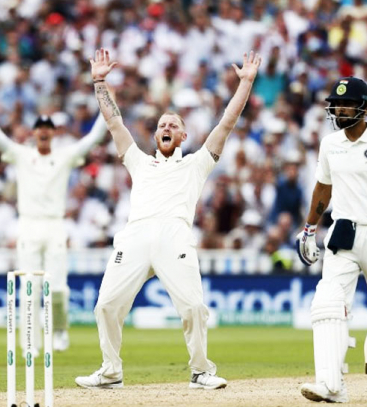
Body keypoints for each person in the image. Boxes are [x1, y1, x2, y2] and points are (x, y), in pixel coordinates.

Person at [75, 48, 261, 389]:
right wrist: (100, 80)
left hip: (175, 236)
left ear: (182, 137)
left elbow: (227, 122)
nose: (167, 126)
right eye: (162, 123)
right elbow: (114, 121)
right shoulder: (138, 160)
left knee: (193, 307)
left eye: (174, 124)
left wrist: (246, 82)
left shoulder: (197, 163)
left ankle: (201, 371)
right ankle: (110, 370)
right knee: (105, 306)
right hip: (134, 236)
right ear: (155, 133)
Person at [0, 80, 107, 352]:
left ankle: (58, 332)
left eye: (48, 128)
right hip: (28, 226)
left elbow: (93, 138)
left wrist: (106, 104)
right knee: (29, 289)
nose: (44, 132)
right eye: (40, 128)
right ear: (34, 133)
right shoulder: (21, 155)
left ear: (53, 133)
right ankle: (29, 343)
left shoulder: (65, 155)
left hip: (55, 225)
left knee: (57, 287)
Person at [297, 77, 367, 403]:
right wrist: (309, 228)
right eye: (336, 104)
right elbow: (323, 187)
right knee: (327, 303)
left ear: (364, 108)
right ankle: (331, 385)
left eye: (347, 103)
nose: (339, 108)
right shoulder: (329, 143)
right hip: (343, 232)